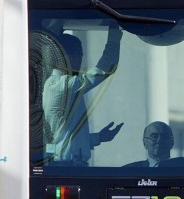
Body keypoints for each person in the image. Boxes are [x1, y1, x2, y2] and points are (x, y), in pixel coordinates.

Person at [42, 26, 123, 165]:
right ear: (67, 56)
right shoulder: (65, 85)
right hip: (67, 167)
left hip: (66, 165)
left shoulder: (55, 84)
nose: (80, 61)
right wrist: (115, 32)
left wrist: (99, 138)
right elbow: (106, 67)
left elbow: (65, 140)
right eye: (80, 55)